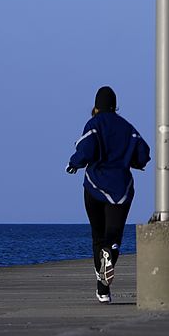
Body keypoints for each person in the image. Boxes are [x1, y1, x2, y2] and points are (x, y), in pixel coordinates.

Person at [67, 86, 150, 303]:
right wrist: (132, 162)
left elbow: (84, 150)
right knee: (114, 236)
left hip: (95, 186)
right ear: (115, 105)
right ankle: (110, 254)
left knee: (98, 235)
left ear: (96, 106)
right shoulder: (127, 128)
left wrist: (73, 164)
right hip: (121, 190)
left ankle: (103, 290)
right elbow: (143, 153)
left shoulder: (93, 125)